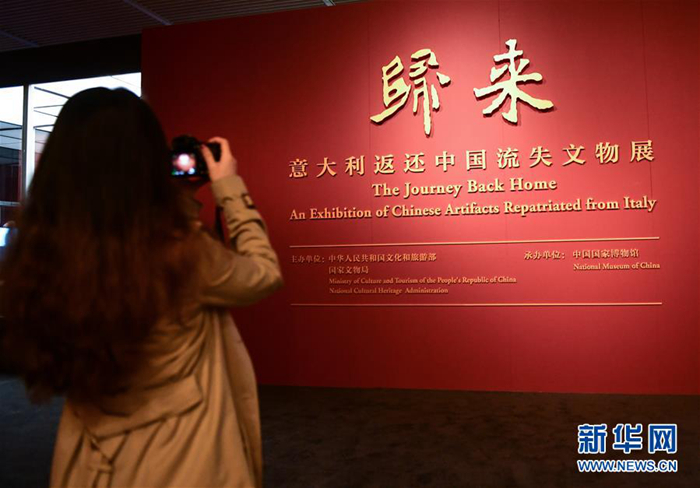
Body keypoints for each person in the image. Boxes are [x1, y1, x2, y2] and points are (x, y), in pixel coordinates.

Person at [0, 88, 283, 487]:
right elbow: (263, 273)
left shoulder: (44, 255)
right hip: (181, 460)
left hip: (90, 463)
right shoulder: (182, 252)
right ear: (148, 162)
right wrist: (230, 189)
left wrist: (181, 202)